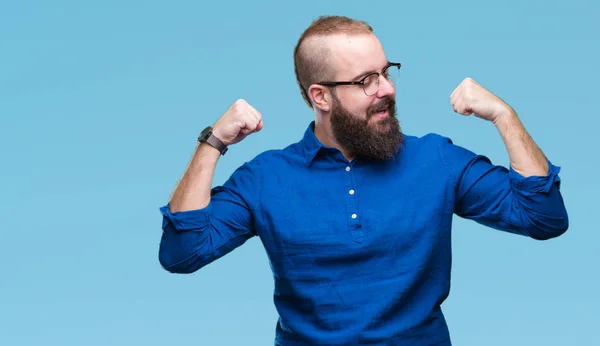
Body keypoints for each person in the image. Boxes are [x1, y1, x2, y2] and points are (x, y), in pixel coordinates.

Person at [158, 15, 569, 346]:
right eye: (365, 81)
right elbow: (182, 252)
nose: (386, 89)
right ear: (320, 96)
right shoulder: (267, 178)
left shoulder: (435, 159)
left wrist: (504, 116)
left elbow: (544, 218)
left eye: (386, 72)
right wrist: (213, 142)